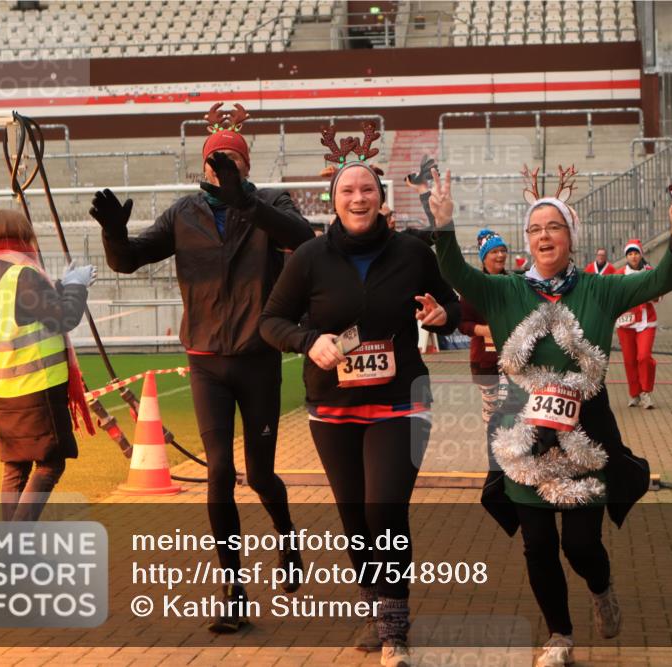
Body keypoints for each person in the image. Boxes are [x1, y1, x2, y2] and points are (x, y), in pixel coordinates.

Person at [430, 163, 672, 667]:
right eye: (534, 229)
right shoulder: (504, 290)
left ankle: (601, 588)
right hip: (523, 435)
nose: (542, 236)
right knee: (537, 545)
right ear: (526, 241)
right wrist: (443, 227)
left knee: (580, 544)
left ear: (571, 236)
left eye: (553, 227)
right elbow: (455, 274)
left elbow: (663, 276)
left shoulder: (600, 289)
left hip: (586, 434)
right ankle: (559, 636)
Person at [90, 103, 314, 634]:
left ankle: (286, 536)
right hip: (207, 362)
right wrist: (114, 235)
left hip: (258, 360)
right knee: (219, 472)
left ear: (246, 166)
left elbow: (302, 239)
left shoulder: (270, 203)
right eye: (215, 161)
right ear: (203, 166)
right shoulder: (184, 213)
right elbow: (128, 260)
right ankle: (233, 592)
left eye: (232, 161)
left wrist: (248, 202)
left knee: (260, 474)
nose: (222, 169)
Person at [259, 127, 461, 667]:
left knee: (385, 509)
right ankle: (377, 608)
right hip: (334, 407)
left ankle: (395, 629)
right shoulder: (308, 257)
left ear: (380, 197)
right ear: (335, 200)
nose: (358, 198)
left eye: (367, 189)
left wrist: (444, 316)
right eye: (348, 191)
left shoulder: (413, 252)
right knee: (355, 519)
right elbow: (270, 321)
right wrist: (308, 341)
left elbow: (452, 304)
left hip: (400, 401)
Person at [0, 210, 97, 523]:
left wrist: (60, 285)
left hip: (2, 390)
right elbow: (63, 317)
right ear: (21, 236)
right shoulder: (22, 273)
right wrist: (77, 286)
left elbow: (31, 309)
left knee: (16, 467)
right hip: (37, 387)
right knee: (51, 463)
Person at [460, 228, 509, 424]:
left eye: (502, 250)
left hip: (512, 359)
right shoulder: (474, 287)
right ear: (484, 257)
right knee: (492, 414)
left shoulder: (513, 283)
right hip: (485, 362)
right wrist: (484, 330)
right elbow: (462, 323)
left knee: (510, 410)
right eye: (494, 252)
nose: (500, 255)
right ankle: (493, 451)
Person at [615, 239, 660, 409]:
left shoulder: (650, 272)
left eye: (636, 253)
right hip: (625, 323)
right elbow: (614, 297)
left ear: (641, 254)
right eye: (630, 254)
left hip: (646, 321)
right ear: (626, 256)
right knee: (629, 360)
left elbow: (659, 294)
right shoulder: (619, 275)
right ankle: (634, 394)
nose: (633, 257)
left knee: (644, 357)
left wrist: (646, 295)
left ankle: (646, 392)